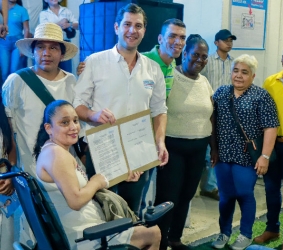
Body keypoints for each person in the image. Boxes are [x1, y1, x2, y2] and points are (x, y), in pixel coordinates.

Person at [74, 3, 168, 216]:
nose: (132, 30)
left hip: (138, 153)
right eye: (127, 24)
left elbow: (160, 110)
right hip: (102, 151)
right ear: (116, 27)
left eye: (138, 25)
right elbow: (76, 104)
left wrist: (160, 141)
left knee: (130, 213)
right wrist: (93, 115)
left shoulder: (153, 69)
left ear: (144, 30)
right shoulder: (95, 62)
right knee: (98, 213)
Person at [34, 99, 161, 250]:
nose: (74, 127)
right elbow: (75, 201)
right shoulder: (56, 154)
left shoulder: (53, 150)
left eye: (75, 120)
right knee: (153, 233)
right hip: (83, 236)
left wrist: (120, 175)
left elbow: (81, 187)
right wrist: (96, 182)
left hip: (86, 229)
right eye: (65, 123)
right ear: (49, 128)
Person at [2, 22, 78, 247]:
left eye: (53, 48)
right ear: (33, 51)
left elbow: (75, 127)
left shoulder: (71, 82)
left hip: (63, 171)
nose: (46, 53)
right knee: (32, 231)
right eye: (41, 47)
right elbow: (8, 130)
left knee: (63, 228)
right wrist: (10, 169)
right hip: (29, 172)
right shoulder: (16, 81)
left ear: (62, 53)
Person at [154, 34, 216, 250]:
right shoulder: (171, 77)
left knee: (187, 195)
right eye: (195, 54)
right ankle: (160, 241)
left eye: (204, 56)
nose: (200, 60)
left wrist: (213, 148)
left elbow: (211, 116)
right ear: (185, 53)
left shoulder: (205, 82)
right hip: (174, 148)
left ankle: (175, 238)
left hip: (199, 149)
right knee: (168, 197)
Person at [211, 54, 279, 250]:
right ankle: (224, 232)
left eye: (244, 72)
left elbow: (270, 127)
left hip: (247, 156)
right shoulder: (221, 93)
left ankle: (245, 234)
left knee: (243, 193)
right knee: (225, 196)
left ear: (253, 75)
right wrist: (214, 149)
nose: (239, 76)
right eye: (235, 71)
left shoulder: (261, 96)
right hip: (223, 155)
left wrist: (264, 157)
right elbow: (212, 122)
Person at [254, 40, 283, 249]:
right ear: (282, 57)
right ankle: (271, 228)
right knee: (271, 189)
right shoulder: (269, 82)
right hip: (271, 146)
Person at [139, 18, 186, 218]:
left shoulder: (172, 63)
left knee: (146, 194)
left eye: (182, 37)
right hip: (137, 139)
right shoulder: (144, 62)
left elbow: (160, 106)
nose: (178, 42)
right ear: (160, 38)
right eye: (172, 36)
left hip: (154, 140)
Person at [199, 29, 237, 201]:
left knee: (221, 149)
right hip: (209, 109)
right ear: (216, 42)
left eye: (231, 40)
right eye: (225, 40)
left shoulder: (234, 63)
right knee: (209, 149)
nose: (228, 43)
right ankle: (208, 186)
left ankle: (216, 184)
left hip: (227, 110)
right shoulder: (207, 61)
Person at [39, 0, 79, 73]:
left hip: (65, 43)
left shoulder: (66, 11)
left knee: (66, 70)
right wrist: (61, 23)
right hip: (51, 43)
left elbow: (78, 26)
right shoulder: (43, 13)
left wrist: (68, 24)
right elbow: (45, 28)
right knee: (51, 70)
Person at [0, 94, 16, 250]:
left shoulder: (3, 111)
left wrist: (10, 176)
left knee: (6, 241)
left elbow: (11, 147)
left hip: (4, 190)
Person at [0, 0, 30, 85]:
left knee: (14, 70)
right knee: (4, 72)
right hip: (3, 43)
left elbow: (26, 29)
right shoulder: (1, 9)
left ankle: (14, 94)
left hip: (17, 44)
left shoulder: (22, 10)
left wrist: (24, 47)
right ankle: (4, 94)